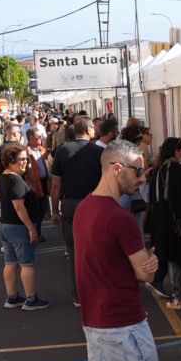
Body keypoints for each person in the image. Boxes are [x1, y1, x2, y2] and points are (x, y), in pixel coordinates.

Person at [37, 138, 181, 361]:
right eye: (138, 170)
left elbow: (112, 262)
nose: (142, 177)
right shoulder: (119, 219)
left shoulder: (87, 208)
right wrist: (149, 264)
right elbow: (146, 273)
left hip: (97, 319)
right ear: (117, 168)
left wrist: (140, 265)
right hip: (121, 322)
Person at [50, 118, 104, 308]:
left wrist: (54, 209)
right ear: (89, 130)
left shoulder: (62, 150)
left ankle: (79, 295)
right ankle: (97, 290)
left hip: (70, 205)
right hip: (95, 204)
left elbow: (56, 184)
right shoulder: (99, 151)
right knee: (97, 248)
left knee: (74, 250)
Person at [0, 143, 49, 311]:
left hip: (5, 225)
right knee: (27, 264)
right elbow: (20, 207)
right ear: (10, 160)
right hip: (18, 227)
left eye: (26, 159)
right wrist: (31, 228)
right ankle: (31, 299)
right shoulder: (15, 180)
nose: (25, 162)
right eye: (21, 159)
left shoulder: (4, 177)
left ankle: (12, 298)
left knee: (10, 262)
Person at [148, 137, 181, 310]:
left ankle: (178, 291)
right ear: (176, 151)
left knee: (169, 256)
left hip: (161, 221)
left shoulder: (156, 171)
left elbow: (152, 199)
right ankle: (178, 296)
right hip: (180, 221)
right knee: (178, 256)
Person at [24, 127, 50, 243]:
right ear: (31, 138)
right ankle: (35, 233)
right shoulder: (26, 152)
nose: (41, 138)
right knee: (36, 211)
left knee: (41, 210)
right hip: (34, 184)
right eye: (38, 137)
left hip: (43, 183)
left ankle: (38, 232)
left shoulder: (40, 149)